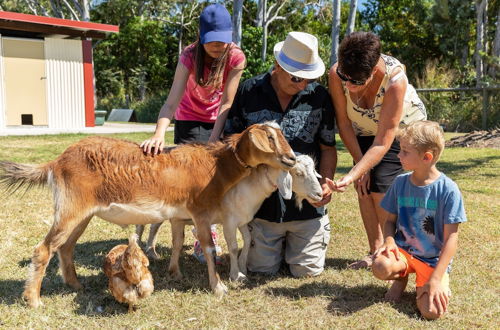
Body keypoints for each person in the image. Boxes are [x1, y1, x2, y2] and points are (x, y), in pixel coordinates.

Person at [224, 31, 337, 277]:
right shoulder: (249, 91)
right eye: (297, 78)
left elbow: (328, 147)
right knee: (260, 269)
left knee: (306, 272)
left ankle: (297, 242)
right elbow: (231, 144)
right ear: (277, 66)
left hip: (306, 209)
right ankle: (276, 243)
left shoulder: (320, 97)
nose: (302, 85)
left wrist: (325, 181)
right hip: (261, 210)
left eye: (309, 79)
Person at [140, 4, 246, 263]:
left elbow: (227, 103)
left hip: (218, 118)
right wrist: (158, 133)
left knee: (218, 180)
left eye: (223, 40)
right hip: (189, 117)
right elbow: (171, 102)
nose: (218, 46)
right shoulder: (189, 55)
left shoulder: (236, 57)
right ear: (201, 37)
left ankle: (214, 231)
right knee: (194, 183)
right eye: (212, 41)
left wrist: (213, 141)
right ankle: (200, 235)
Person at [327, 31, 427, 269]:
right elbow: (343, 122)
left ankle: (394, 250)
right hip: (362, 128)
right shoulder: (337, 73)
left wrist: (352, 173)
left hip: (400, 128)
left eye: (356, 82)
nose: (348, 86)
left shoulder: (395, 81)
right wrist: (359, 167)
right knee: (364, 185)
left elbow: (384, 140)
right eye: (345, 78)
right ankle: (375, 251)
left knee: (381, 183)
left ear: (373, 71)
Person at [371, 120, 467, 320]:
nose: (398, 155)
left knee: (431, 312)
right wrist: (389, 241)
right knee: (380, 266)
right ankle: (401, 279)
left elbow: (451, 239)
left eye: (405, 151)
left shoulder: (448, 190)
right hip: (403, 252)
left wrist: (436, 278)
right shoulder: (400, 183)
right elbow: (389, 221)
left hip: (432, 260)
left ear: (427, 157)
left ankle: (425, 285)